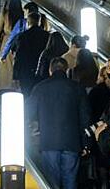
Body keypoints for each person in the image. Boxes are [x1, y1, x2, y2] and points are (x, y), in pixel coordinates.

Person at [29, 57, 91, 189]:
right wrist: (85, 143)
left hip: (49, 142)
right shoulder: (77, 88)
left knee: (51, 182)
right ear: (66, 70)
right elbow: (85, 117)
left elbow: (29, 113)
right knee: (70, 180)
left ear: (50, 70)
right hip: (72, 142)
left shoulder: (40, 87)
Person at [11, 12, 49, 95]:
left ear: (28, 22)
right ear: (39, 21)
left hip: (26, 71)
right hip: (41, 70)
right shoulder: (47, 35)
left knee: (26, 94)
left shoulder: (23, 36)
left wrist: (15, 75)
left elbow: (18, 56)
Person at [0, 0, 23, 91]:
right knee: (16, 64)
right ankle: (15, 86)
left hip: (7, 41)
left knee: (5, 65)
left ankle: (4, 86)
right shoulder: (22, 16)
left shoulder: (5, 14)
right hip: (20, 42)